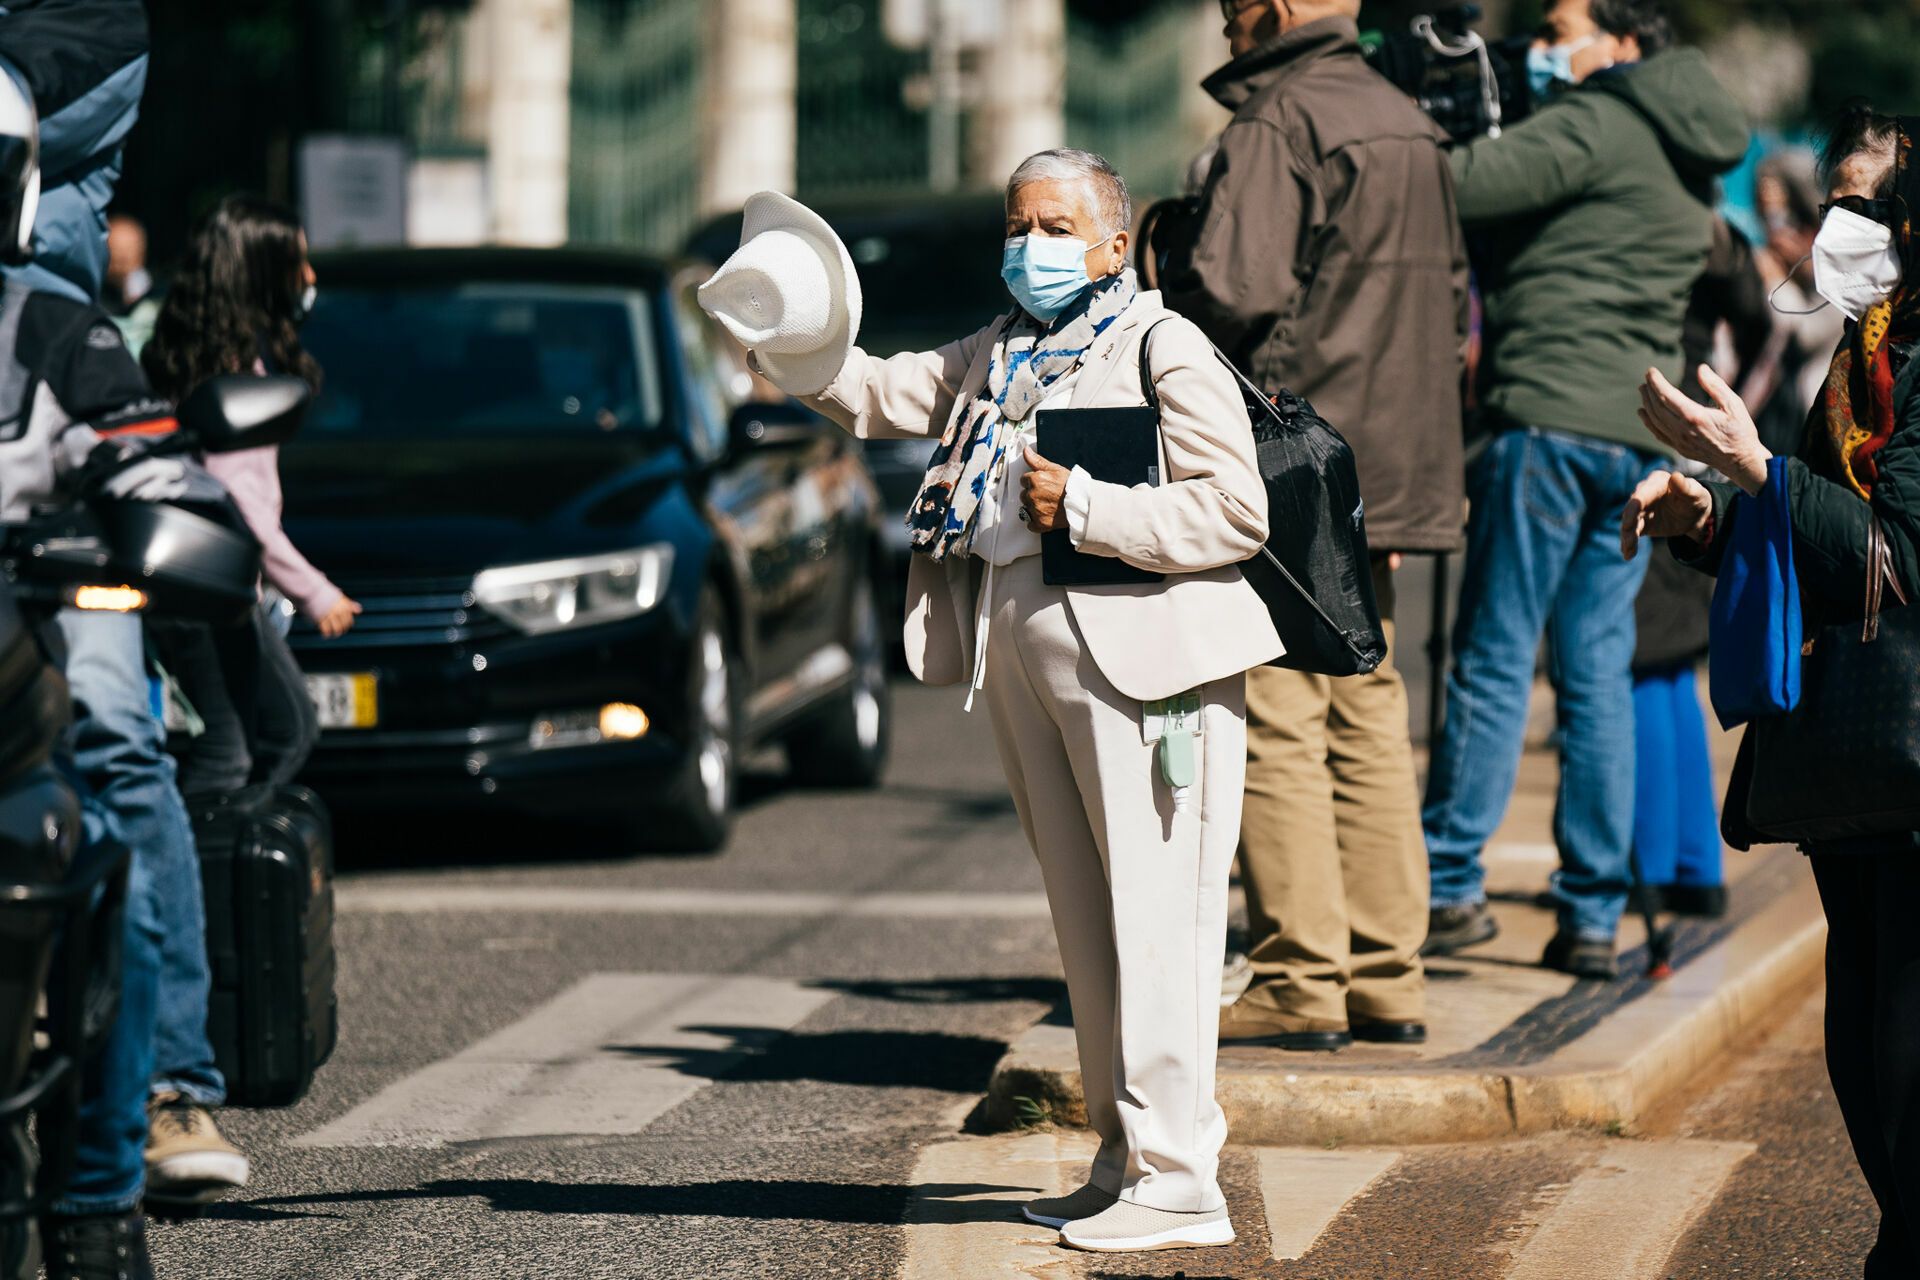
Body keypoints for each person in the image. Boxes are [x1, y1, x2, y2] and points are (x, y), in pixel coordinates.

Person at [701, 152, 1280, 1253]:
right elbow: (876, 393)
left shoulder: (1162, 341)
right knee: (1090, 921)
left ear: (1115, 245)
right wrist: (792, 328)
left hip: (1149, 668)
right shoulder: (1000, 350)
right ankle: (1122, 1153)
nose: (1032, 245)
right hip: (1022, 657)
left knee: (1160, 921)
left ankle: (1180, 1174)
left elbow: (1234, 511)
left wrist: (1095, 506)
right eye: (1018, 224)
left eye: (1057, 226)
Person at [1625, 106, 1920, 1280]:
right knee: (1860, 1049)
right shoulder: (1865, 349)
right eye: (1833, 199)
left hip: (1903, 753)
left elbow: (1900, 551)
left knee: (1901, 1050)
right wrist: (1717, 512)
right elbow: (1815, 529)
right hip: (1852, 749)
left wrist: (1761, 471)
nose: (1837, 226)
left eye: (1867, 202)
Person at [1159, 0, 1469, 1051]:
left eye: (1231, 9)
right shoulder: (1407, 121)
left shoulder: (1278, 122)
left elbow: (1229, 296)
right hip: (1386, 460)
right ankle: (1388, 968)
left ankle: (1299, 973)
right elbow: (1454, 300)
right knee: (1368, 703)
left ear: (1276, 12)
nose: (1222, 27)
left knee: (1280, 711)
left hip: (1288, 459)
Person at [1418, 0, 1748, 978]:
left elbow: (1454, 184)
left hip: (1547, 424)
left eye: (1563, 26)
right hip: (1633, 434)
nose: (1547, 47)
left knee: (1493, 654)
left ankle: (1450, 885)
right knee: (1596, 671)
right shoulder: (1690, 149)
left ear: (1625, 42)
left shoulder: (1598, 120)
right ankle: (1593, 910)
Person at [142, 196, 352, 805]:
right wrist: (315, 591)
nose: (310, 278)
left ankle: (216, 874)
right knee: (273, 735)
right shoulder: (233, 373)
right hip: (209, 585)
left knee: (243, 741)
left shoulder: (198, 355)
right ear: (259, 270)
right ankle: (202, 880)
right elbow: (241, 505)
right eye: (298, 263)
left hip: (195, 582)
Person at [1628, 216, 1770, 919]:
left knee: (1642, 664)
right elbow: (1757, 314)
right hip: (1693, 453)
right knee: (1671, 666)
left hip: (1644, 438)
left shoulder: (1634, 192)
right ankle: (1694, 863)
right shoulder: (1715, 227)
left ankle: (1654, 867)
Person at [103, 212, 159, 356]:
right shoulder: (94, 300)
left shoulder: (159, 297)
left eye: (129, 249)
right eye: (117, 250)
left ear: (143, 250)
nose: (123, 258)